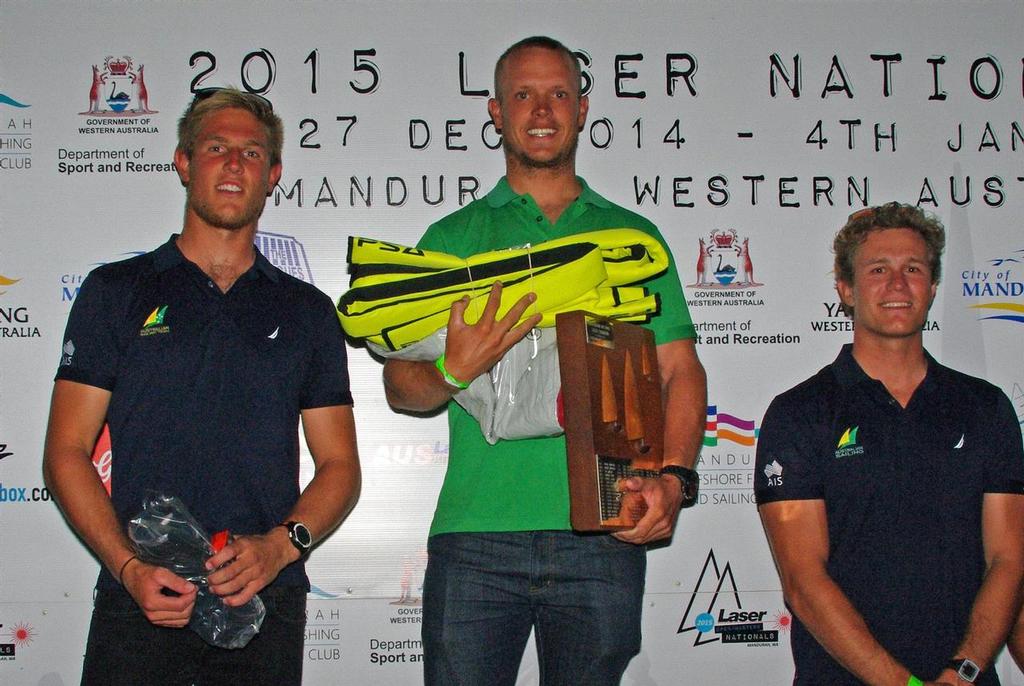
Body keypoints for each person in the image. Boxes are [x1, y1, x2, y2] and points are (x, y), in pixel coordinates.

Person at [382, 36, 706, 685]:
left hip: (606, 530)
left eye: (558, 93)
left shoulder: (632, 238)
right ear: (496, 112)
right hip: (475, 536)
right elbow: (400, 388)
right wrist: (454, 368)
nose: (542, 110)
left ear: (582, 108)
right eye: (523, 95)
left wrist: (675, 477)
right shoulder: (451, 241)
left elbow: (679, 371)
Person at [43, 88, 361, 685]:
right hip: (139, 597)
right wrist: (128, 565)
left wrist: (280, 547)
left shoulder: (308, 312)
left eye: (251, 152)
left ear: (274, 175)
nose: (235, 164)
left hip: (263, 600)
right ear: (184, 163)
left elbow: (341, 466)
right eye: (217, 148)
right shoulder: (116, 292)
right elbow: (65, 451)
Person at [754, 202, 1024, 685]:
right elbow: (803, 580)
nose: (897, 285)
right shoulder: (799, 413)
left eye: (913, 269)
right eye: (878, 269)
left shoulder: (986, 408)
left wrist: (962, 671)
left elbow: (1008, 559)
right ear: (846, 289)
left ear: (933, 287)